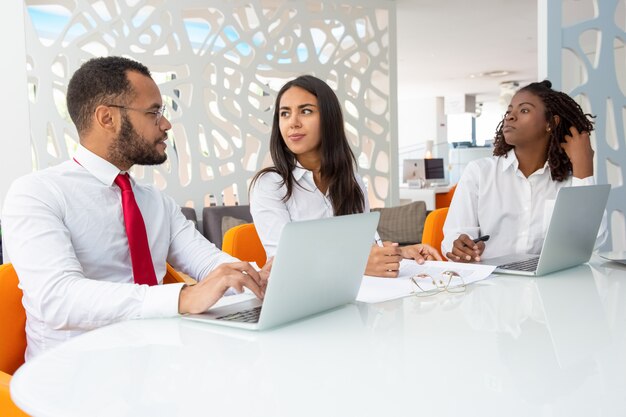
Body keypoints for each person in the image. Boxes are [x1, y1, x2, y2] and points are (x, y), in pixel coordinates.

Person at [1, 56, 268, 360]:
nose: (166, 124)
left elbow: (208, 263)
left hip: (158, 358)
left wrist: (258, 278)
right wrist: (183, 297)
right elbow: (57, 298)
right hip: (74, 372)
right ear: (107, 118)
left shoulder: (154, 200)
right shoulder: (37, 193)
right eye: (154, 112)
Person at [249, 75, 441, 278]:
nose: (293, 123)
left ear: (329, 118)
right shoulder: (269, 185)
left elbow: (365, 246)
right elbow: (286, 262)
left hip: (358, 292)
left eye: (306, 111)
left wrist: (398, 253)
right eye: (285, 113)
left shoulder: (352, 181)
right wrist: (357, 265)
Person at [442, 80, 607, 262]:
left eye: (524, 110)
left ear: (551, 122)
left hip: (548, 285)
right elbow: (453, 236)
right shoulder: (480, 173)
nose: (510, 117)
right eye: (509, 111)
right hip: (489, 283)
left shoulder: (572, 179)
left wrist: (584, 168)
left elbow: (593, 241)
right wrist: (459, 247)